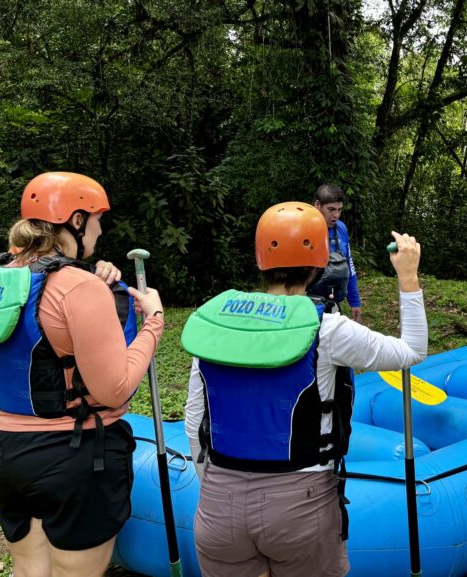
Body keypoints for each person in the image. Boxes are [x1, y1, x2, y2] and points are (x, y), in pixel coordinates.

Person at [182, 201, 427, 577]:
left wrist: (221, 488)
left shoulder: (216, 325)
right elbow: (412, 351)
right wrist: (408, 278)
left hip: (219, 503)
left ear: (261, 259)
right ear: (319, 264)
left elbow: (194, 422)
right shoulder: (328, 328)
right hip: (300, 503)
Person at [0, 172, 164, 577]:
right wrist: (153, 321)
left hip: (4, 453)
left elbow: (45, 324)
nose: (99, 231)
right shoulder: (78, 286)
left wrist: (99, 292)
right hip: (74, 456)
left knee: (29, 568)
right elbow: (114, 390)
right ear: (76, 221)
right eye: (97, 220)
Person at [308, 184, 363, 321]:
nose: (336, 215)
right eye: (331, 210)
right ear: (317, 205)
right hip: (306, 303)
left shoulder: (341, 229)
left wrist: (354, 302)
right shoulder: (303, 229)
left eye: (339, 210)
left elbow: (349, 266)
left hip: (332, 301)